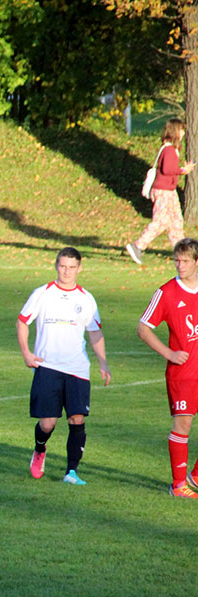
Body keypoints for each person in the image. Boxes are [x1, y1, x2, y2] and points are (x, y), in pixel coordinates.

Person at [17, 247, 111, 485]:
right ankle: (40, 449)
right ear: (56, 265)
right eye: (62, 266)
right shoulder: (42, 294)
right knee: (48, 422)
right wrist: (26, 353)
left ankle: (71, 472)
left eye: (71, 267)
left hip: (78, 369)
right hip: (47, 366)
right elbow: (22, 322)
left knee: (77, 419)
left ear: (79, 268)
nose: (66, 271)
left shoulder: (86, 299)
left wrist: (102, 362)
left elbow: (95, 331)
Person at [138, 237, 198, 497]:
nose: (179, 265)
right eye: (176, 260)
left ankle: (195, 478)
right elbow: (143, 327)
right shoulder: (167, 293)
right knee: (182, 426)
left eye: (185, 261)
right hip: (182, 375)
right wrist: (169, 353)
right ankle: (178, 485)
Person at [127, 119, 194, 265]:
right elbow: (167, 170)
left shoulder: (169, 149)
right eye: (181, 130)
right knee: (160, 221)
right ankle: (137, 246)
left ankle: (182, 253)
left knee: (176, 222)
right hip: (164, 192)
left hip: (169, 191)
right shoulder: (169, 150)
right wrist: (183, 171)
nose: (183, 133)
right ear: (175, 132)